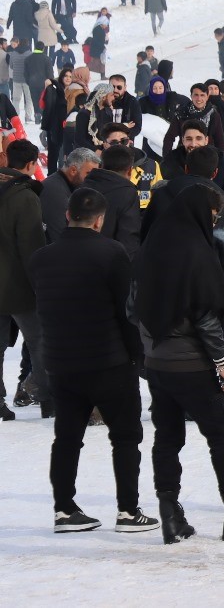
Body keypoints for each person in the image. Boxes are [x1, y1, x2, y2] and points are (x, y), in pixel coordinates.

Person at [134, 183, 224, 545]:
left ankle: (170, 515)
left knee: (167, 438)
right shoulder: (195, 253)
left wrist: (153, 346)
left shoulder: (152, 246)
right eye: (213, 216)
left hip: (157, 363)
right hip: (191, 364)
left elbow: (133, 307)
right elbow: (205, 318)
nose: (214, 223)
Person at [31, 186, 156, 535]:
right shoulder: (113, 253)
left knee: (66, 437)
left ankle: (64, 509)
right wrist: (139, 356)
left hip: (60, 361)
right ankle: (128, 511)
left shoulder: (41, 258)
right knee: (126, 437)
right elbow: (126, 311)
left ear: (68, 215)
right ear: (100, 221)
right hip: (109, 360)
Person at [0, 139, 52, 417]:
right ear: (32, 165)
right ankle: (47, 399)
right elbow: (32, 248)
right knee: (39, 342)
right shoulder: (26, 196)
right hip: (21, 287)